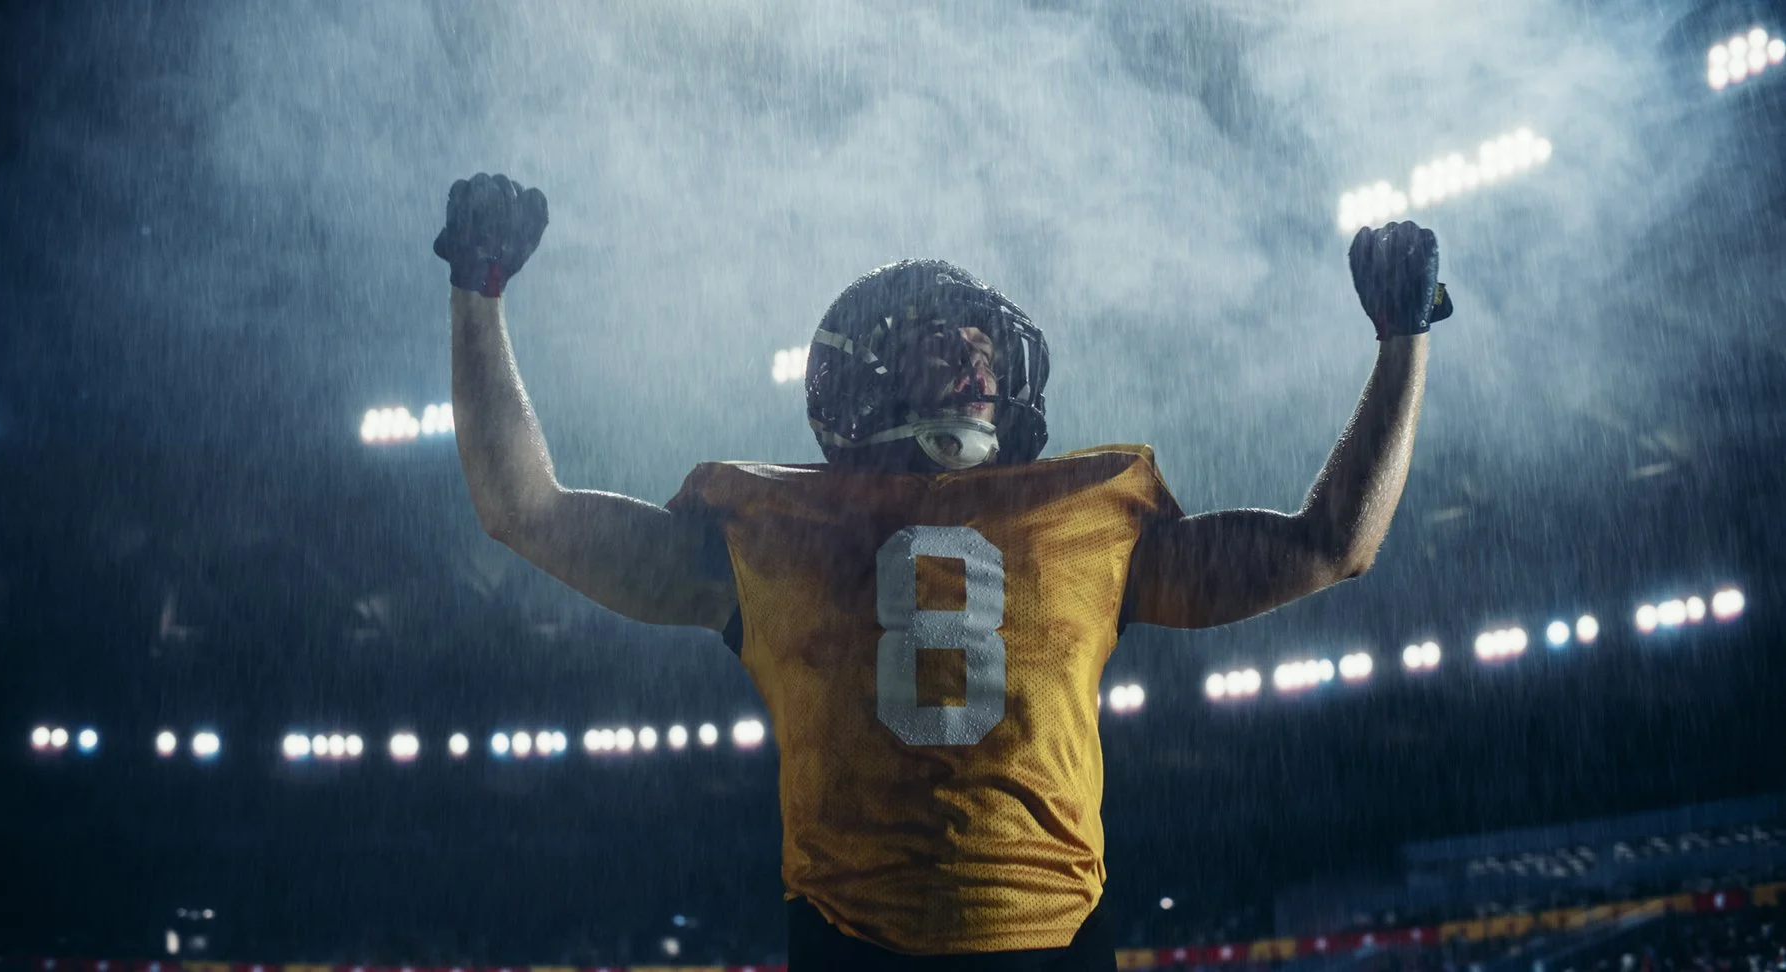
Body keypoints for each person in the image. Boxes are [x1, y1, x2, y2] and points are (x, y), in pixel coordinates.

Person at [436, 173, 1452, 971]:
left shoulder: (1091, 509)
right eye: (939, 347)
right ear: (857, 380)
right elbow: (521, 510)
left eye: (984, 346)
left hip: (1053, 941)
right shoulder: (763, 522)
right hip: (852, 942)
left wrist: (1401, 343)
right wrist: (476, 300)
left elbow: (1334, 544)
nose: (975, 364)